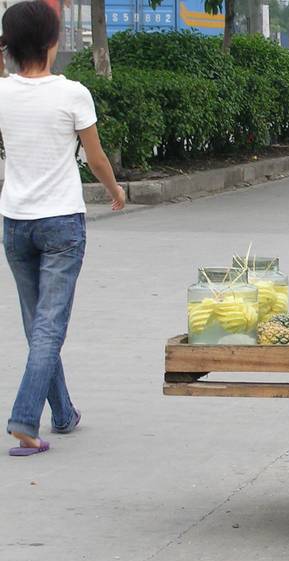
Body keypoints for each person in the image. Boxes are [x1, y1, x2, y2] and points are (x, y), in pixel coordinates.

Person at [0, 0, 125, 457]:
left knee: (37, 326)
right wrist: (116, 191)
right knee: (49, 329)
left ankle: (64, 412)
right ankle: (24, 421)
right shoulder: (72, 93)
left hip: (15, 222)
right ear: (55, 41)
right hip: (60, 223)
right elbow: (95, 158)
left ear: (10, 45)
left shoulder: (2, 93)